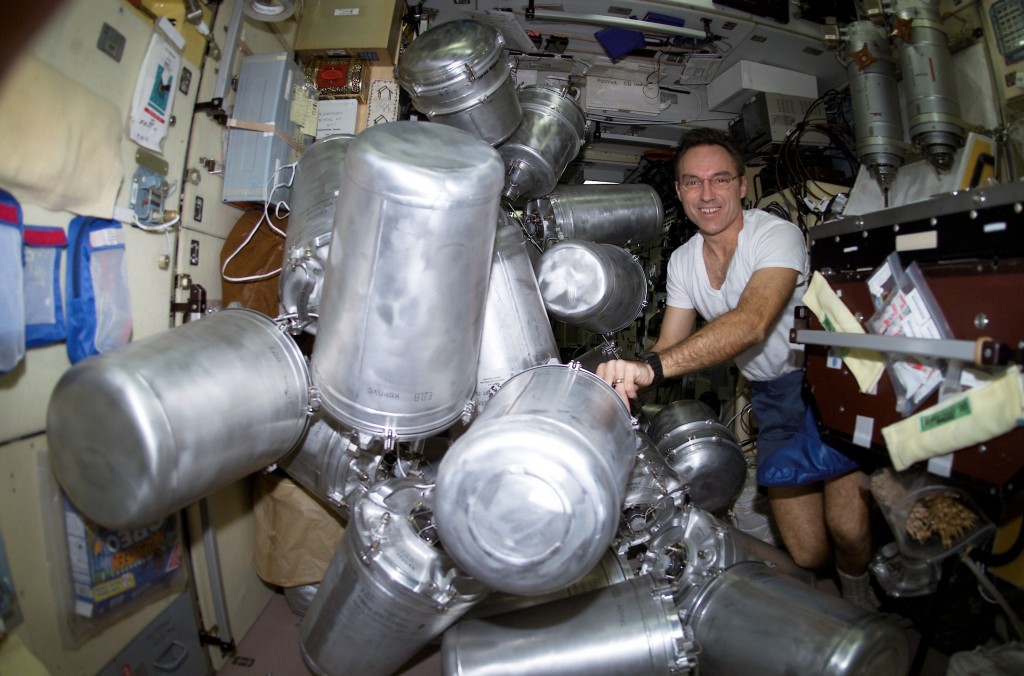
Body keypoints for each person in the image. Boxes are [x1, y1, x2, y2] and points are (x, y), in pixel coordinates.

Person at [596, 127, 878, 610]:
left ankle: (861, 594)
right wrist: (622, 378)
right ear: (680, 190)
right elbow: (670, 347)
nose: (707, 195)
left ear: (742, 184)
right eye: (692, 182)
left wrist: (652, 368)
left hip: (829, 383)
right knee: (807, 550)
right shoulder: (684, 261)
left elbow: (751, 323)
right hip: (772, 395)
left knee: (847, 527)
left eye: (720, 180)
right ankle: (834, 584)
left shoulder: (775, 236)